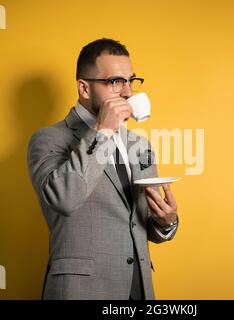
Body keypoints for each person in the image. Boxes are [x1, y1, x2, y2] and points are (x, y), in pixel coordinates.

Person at [27, 38, 179, 300]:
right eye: (115, 82)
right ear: (84, 89)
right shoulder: (47, 139)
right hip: (82, 291)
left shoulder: (139, 145)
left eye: (131, 81)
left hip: (138, 290)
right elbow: (64, 199)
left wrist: (166, 223)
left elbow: (139, 223)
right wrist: (104, 130)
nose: (128, 92)